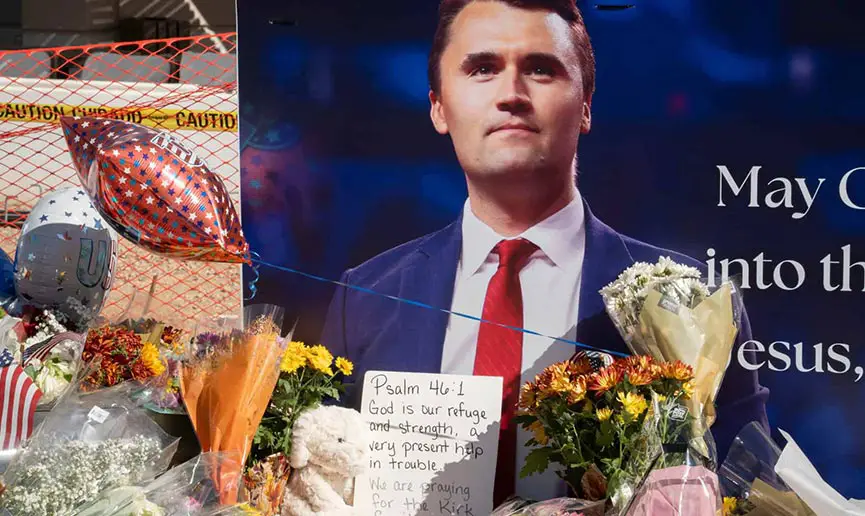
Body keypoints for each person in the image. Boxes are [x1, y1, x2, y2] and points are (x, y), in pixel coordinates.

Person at [321, 0, 769, 505]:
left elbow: (752, 496)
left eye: (540, 68)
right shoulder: (363, 298)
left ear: (586, 107)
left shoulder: (691, 303)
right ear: (439, 107)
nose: (511, 94)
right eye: (483, 68)